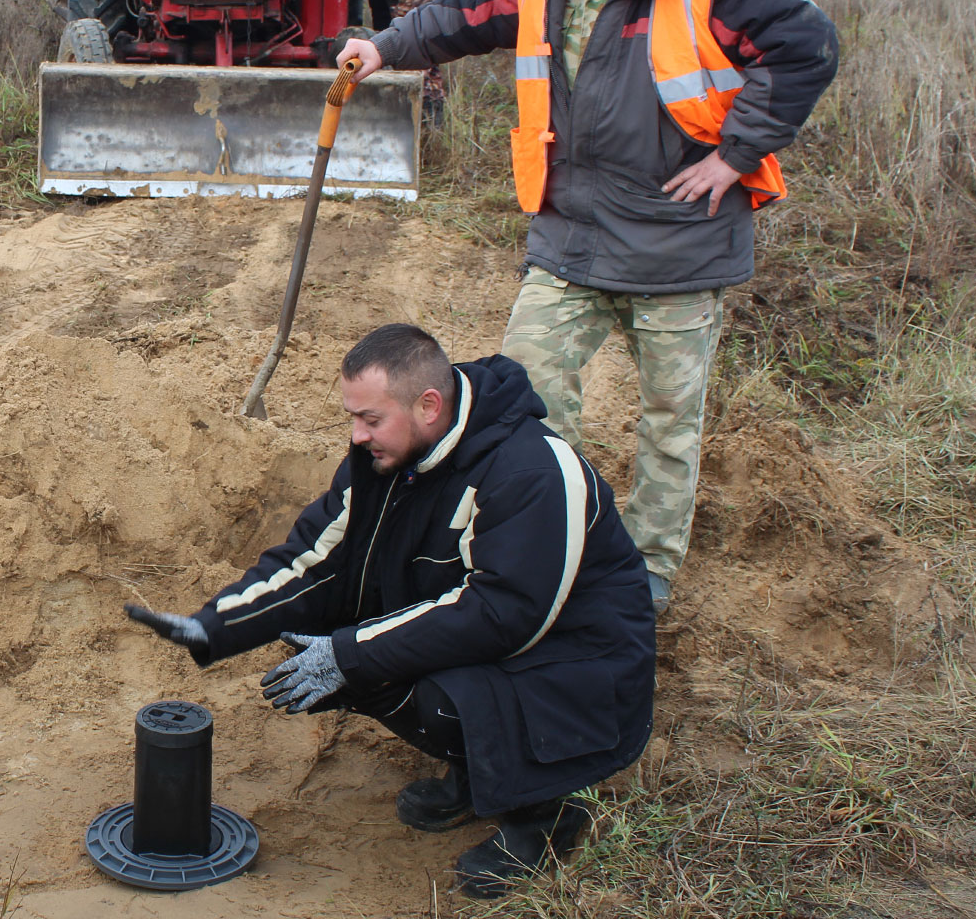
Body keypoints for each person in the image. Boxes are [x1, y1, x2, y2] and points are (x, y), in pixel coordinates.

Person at [337, 0, 839, 614]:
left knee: (669, 424)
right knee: (522, 403)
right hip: (571, 235)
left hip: (680, 239)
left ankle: (647, 575)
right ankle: (537, 550)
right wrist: (384, 48)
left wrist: (736, 156)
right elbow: (462, 14)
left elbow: (807, 45)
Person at [127, 324, 655, 899]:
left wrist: (351, 654)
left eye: (370, 419)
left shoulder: (533, 472)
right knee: (327, 639)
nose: (356, 435)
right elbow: (319, 557)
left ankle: (545, 812)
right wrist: (216, 624)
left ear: (429, 405)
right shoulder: (390, 458)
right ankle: (480, 771)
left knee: (381, 671)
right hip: (500, 645)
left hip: (577, 672)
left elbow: (504, 614)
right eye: (352, 417)